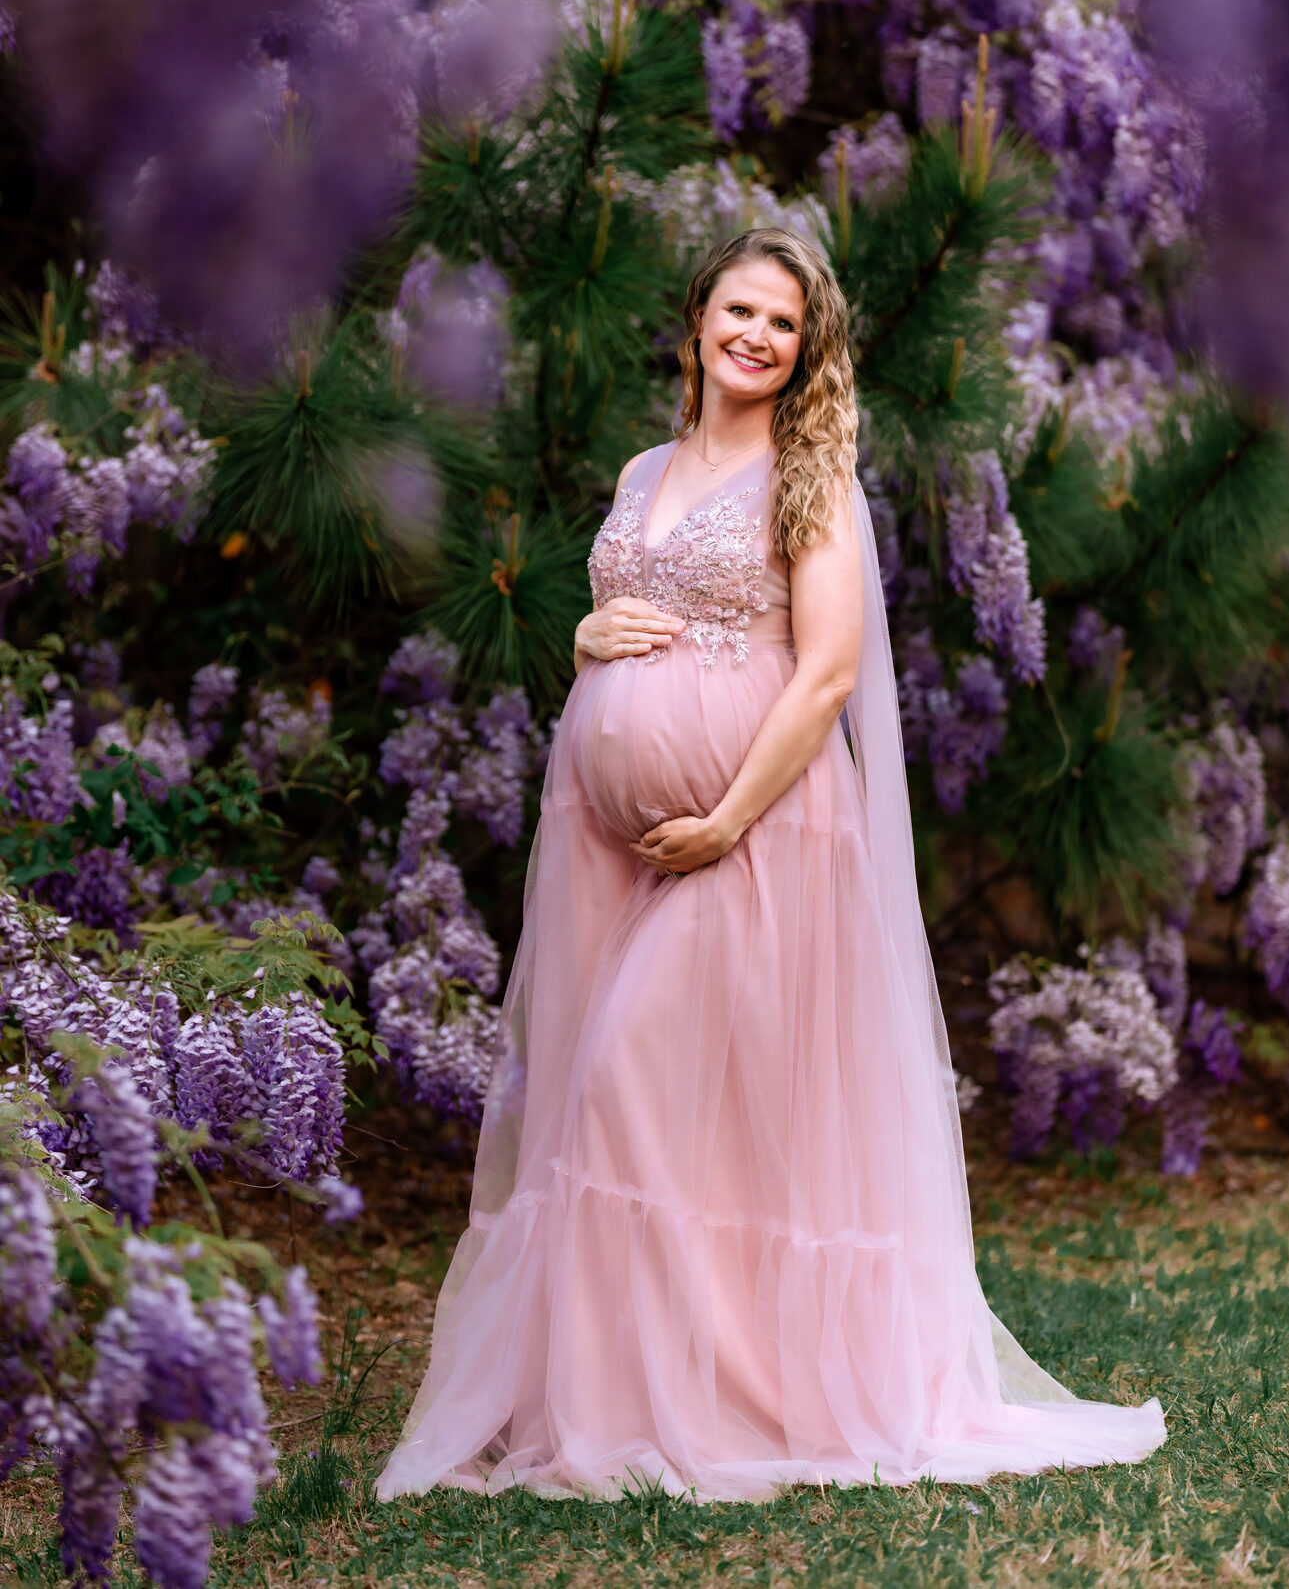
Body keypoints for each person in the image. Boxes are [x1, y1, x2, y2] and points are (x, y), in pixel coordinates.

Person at [376, 227, 1165, 1502]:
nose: (756, 334)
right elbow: (625, 622)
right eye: (738, 309)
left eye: (783, 323)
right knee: (602, 1102)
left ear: (806, 351)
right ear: (694, 321)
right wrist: (583, 629)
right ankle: (609, 1400)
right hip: (600, 830)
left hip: (755, 830)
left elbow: (830, 675)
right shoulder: (642, 467)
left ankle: (725, 1403)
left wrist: (729, 816)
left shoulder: (813, 477)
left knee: (637, 1076)